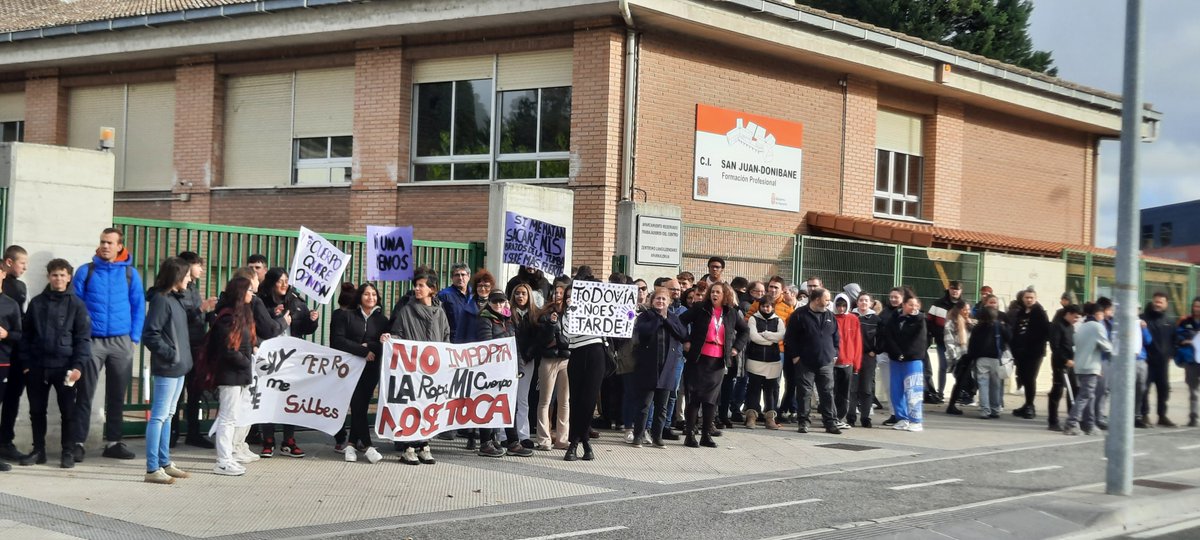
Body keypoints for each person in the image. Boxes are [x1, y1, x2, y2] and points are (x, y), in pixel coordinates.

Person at [72, 227, 145, 462]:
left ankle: (114, 442)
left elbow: (138, 306)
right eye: (103, 242)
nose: (105, 246)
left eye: (110, 243)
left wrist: (133, 338)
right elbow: (76, 307)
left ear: (119, 247)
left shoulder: (130, 274)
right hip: (92, 342)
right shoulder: (86, 271)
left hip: (121, 341)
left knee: (116, 395)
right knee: (84, 393)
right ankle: (77, 443)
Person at [18, 259, 89, 469]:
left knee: (68, 412)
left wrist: (77, 366)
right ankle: (38, 450)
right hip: (37, 366)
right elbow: (26, 335)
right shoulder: (37, 302)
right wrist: (26, 364)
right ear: (49, 277)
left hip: (65, 368)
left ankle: (67, 451)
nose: (58, 279)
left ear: (68, 277)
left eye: (62, 275)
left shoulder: (77, 305)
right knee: (37, 411)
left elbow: (83, 338)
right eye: (54, 275)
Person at [383, 269, 450, 465]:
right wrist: (390, 339)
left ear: (432, 289)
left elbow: (446, 337)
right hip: (412, 368)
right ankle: (408, 447)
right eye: (416, 285)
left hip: (433, 369)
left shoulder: (440, 312)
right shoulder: (406, 311)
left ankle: (424, 444)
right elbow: (398, 334)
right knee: (411, 406)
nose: (417, 289)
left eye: (421, 285)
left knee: (429, 406)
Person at [140, 257, 194, 485]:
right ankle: (152, 468)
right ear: (177, 276)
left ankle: (164, 462)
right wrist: (171, 354)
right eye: (187, 275)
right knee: (159, 416)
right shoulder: (161, 300)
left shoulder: (176, 300)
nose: (190, 279)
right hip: (168, 367)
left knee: (169, 415)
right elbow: (150, 334)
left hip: (179, 367)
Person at [257, 267, 319, 458]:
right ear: (272, 283)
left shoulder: (296, 301)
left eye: (286, 281)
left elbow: (304, 328)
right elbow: (260, 326)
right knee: (269, 397)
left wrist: (312, 320)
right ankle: (268, 439)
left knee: (289, 398)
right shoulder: (261, 301)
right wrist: (274, 314)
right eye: (280, 281)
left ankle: (289, 440)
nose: (284, 284)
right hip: (270, 358)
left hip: (292, 359)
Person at [679, 283, 748, 448]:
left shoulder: (731, 312)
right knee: (694, 398)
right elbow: (680, 322)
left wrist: (736, 348)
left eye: (718, 292)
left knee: (710, 401)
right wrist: (686, 340)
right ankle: (690, 434)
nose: (714, 295)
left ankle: (706, 435)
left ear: (725, 295)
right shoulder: (700, 308)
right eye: (713, 292)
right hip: (698, 359)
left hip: (717, 361)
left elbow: (745, 331)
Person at [329, 283, 387, 464]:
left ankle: (352, 445)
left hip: (371, 369)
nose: (371, 297)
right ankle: (368, 446)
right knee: (356, 403)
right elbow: (338, 341)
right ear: (360, 296)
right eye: (367, 294)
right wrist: (362, 351)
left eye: (374, 294)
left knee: (360, 406)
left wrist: (369, 346)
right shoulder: (347, 316)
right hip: (350, 368)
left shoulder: (382, 320)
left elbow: (385, 343)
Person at [208, 277, 260, 476]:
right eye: (248, 291)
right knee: (227, 419)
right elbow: (228, 349)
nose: (251, 294)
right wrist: (248, 363)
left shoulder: (242, 314)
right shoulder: (227, 316)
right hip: (230, 374)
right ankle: (223, 460)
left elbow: (245, 343)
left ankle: (228, 456)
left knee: (232, 417)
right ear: (239, 293)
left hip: (239, 374)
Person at [630, 287, 688, 447]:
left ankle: (657, 436)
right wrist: (658, 319)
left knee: (662, 406)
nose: (660, 302)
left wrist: (666, 319)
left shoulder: (674, 318)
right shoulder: (646, 316)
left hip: (668, 368)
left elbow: (682, 334)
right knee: (644, 405)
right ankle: (638, 435)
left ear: (668, 301)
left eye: (664, 299)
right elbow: (644, 332)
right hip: (648, 367)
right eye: (658, 299)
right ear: (652, 300)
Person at [562, 281, 609, 462]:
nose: (570, 299)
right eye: (568, 296)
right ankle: (584, 443)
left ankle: (575, 443)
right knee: (576, 400)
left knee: (589, 401)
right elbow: (568, 334)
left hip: (596, 354)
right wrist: (573, 310)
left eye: (574, 296)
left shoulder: (597, 310)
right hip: (577, 356)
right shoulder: (567, 314)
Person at [175, 251, 217, 449]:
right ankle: (172, 433)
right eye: (198, 265)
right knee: (177, 393)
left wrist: (211, 314)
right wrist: (202, 309)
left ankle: (193, 432)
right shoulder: (178, 289)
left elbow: (197, 316)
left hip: (197, 347)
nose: (201, 269)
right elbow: (180, 317)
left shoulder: (193, 287)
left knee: (195, 391)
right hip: (183, 346)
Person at [784, 288, 841, 435]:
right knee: (804, 393)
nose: (829, 302)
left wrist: (834, 354)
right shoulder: (799, 315)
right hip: (805, 362)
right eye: (827, 299)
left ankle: (830, 423)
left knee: (827, 393)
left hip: (826, 362)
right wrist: (796, 356)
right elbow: (790, 338)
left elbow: (836, 337)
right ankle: (803, 422)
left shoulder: (830, 316)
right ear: (816, 299)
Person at [475, 290, 523, 457]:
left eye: (502, 302)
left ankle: (513, 441)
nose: (499, 305)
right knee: (488, 404)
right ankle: (485, 442)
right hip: (491, 370)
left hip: (508, 370)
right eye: (495, 302)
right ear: (490, 302)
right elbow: (487, 345)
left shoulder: (509, 320)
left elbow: (514, 346)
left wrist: (520, 368)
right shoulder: (484, 319)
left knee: (510, 405)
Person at [1063, 303, 1112, 436]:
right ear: (1098, 314)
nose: (1103, 317)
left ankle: (1089, 424)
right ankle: (1071, 423)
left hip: (1080, 365)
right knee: (1085, 396)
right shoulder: (1097, 326)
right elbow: (1106, 346)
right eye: (1102, 314)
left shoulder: (1081, 326)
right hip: (1091, 366)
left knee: (1089, 396)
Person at [0, 245, 29, 464]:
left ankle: (6, 443)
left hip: (15, 353)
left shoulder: (19, 287)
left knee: (13, 398)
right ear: (8, 263)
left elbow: (20, 321)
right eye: (22, 263)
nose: (25, 268)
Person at [882, 293, 927, 432]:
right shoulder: (894, 318)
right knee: (896, 390)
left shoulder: (920, 320)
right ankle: (902, 418)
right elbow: (888, 336)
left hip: (912, 360)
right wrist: (896, 353)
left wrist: (905, 354)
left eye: (916, 305)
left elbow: (919, 341)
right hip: (896, 360)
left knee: (913, 390)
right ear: (904, 305)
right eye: (910, 305)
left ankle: (916, 420)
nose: (913, 307)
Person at [503, 283, 539, 454]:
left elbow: (539, 337)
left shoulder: (535, 315)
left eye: (523, 293)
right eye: (517, 293)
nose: (520, 296)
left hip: (527, 360)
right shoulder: (507, 313)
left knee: (523, 398)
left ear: (529, 295)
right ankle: (504, 435)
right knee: (508, 398)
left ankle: (523, 434)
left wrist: (529, 354)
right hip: (509, 359)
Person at [534, 283, 570, 452]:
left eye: (562, 293)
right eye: (556, 292)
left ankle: (562, 439)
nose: (558, 295)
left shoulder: (572, 314)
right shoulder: (545, 314)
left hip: (566, 359)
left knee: (564, 401)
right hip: (549, 358)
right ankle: (544, 439)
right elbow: (542, 339)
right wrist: (551, 324)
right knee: (545, 400)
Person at [965, 299, 1012, 420]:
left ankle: (985, 410)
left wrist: (971, 357)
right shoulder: (999, 326)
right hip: (996, 359)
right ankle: (995, 409)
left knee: (983, 385)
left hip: (981, 359)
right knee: (995, 385)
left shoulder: (977, 327)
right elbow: (1009, 338)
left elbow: (972, 344)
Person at [1009, 288, 1051, 420]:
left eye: (1031, 298)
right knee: (1023, 378)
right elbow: (1016, 330)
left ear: (1035, 299)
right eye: (1026, 297)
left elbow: (1044, 332)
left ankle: (1030, 406)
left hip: (1034, 352)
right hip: (1020, 352)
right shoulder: (1020, 312)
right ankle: (1026, 404)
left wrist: (1033, 343)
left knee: (1030, 378)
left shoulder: (1040, 313)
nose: (1029, 300)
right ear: (1023, 298)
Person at [744, 300, 785, 430]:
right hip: (755, 359)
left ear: (772, 307)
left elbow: (781, 335)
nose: (766, 309)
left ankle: (770, 417)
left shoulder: (778, 320)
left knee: (771, 390)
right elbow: (754, 337)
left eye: (768, 306)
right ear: (760, 307)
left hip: (773, 360)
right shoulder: (753, 319)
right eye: (764, 306)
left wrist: (767, 335)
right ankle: (751, 416)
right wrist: (770, 340)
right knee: (753, 388)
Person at [926, 281, 966, 404]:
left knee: (959, 369)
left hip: (959, 343)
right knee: (943, 366)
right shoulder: (938, 304)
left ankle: (961, 393)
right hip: (942, 341)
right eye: (953, 288)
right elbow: (929, 321)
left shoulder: (963, 305)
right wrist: (937, 333)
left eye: (957, 289)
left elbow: (967, 321)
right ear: (948, 289)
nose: (955, 291)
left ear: (961, 291)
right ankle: (940, 393)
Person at [1142, 292, 1177, 427]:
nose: (1157, 304)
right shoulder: (1144, 319)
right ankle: (1144, 415)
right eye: (1155, 301)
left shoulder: (1170, 321)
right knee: (1144, 389)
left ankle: (1162, 416)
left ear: (1166, 304)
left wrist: (1171, 354)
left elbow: (1175, 341)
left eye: (1160, 302)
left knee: (1163, 390)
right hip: (1147, 362)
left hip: (1163, 364)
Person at [1047, 304, 1082, 431]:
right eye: (1075, 317)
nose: (1076, 319)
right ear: (1069, 313)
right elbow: (1055, 347)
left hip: (1071, 362)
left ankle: (1071, 418)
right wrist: (1065, 360)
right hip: (1060, 363)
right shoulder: (1057, 326)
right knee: (1057, 391)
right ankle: (1053, 421)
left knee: (1074, 389)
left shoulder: (1071, 327)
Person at [847, 293, 880, 427]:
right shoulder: (850, 317)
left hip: (868, 357)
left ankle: (865, 417)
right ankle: (851, 416)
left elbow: (882, 337)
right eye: (861, 300)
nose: (863, 303)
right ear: (857, 302)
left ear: (871, 303)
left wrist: (875, 350)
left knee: (866, 388)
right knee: (852, 388)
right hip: (852, 356)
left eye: (866, 300)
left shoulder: (876, 319)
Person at [832, 294, 861, 430]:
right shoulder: (830, 317)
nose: (841, 308)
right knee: (830, 391)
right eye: (839, 305)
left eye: (844, 305)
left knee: (844, 393)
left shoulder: (853, 319)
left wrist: (856, 364)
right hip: (832, 362)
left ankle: (839, 417)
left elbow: (857, 342)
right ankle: (831, 416)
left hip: (847, 361)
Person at [877, 287, 905, 425]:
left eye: (896, 297)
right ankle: (894, 414)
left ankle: (903, 414)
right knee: (889, 387)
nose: (893, 299)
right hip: (884, 355)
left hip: (901, 356)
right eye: (891, 297)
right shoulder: (884, 313)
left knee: (902, 386)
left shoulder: (905, 313)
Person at [943, 303, 975, 416]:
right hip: (959, 356)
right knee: (960, 382)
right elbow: (948, 341)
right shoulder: (951, 322)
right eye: (964, 309)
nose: (967, 311)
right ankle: (951, 406)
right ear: (958, 310)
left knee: (965, 382)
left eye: (968, 309)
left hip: (969, 355)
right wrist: (955, 357)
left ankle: (956, 403)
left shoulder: (969, 322)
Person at [1176, 297, 1200, 427]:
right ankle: (1193, 417)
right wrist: (1185, 340)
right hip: (1191, 360)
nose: (1197, 309)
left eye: (1199, 306)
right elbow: (1178, 335)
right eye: (1195, 306)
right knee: (1193, 390)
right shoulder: (1185, 321)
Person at [437, 263, 473, 344]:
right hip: (453, 342)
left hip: (472, 342)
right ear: (452, 277)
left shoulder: (475, 295)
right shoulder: (444, 295)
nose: (460, 278)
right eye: (457, 275)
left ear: (469, 276)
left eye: (463, 275)